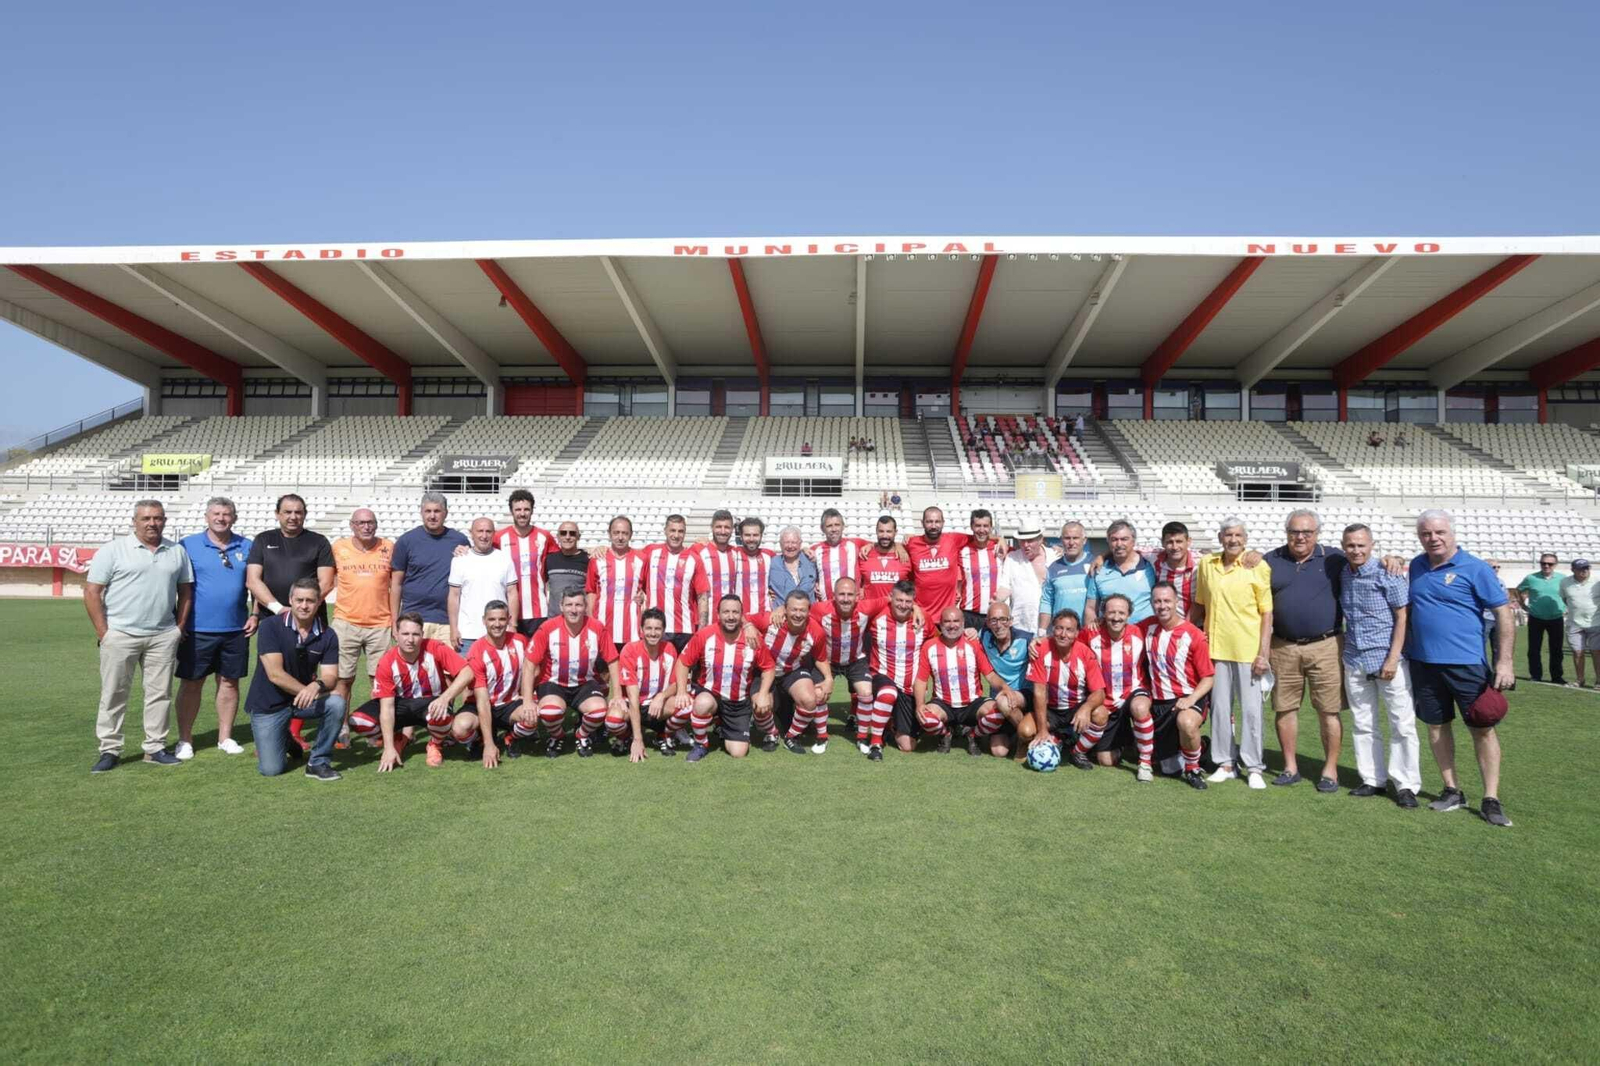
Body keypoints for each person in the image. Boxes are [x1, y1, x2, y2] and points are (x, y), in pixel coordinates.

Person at [1407, 509, 1515, 828]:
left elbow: (1503, 613)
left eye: (1439, 532)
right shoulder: (1416, 565)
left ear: (1451, 533)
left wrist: (1504, 660)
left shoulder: (1475, 568)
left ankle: (1491, 798)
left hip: (1467, 664)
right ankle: (1452, 789)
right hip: (1424, 663)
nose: (1433, 538)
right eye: (1426, 534)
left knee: (1482, 728)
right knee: (1437, 726)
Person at [85, 499, 193, 772]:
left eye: (157, 518)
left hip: (162, 635)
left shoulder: (176, 551)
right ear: (134, 521)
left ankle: (155, 747)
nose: (152, 523)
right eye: (145, 518)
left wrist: (178, 628)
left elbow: (186, 591)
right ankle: (110, 749)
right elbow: (92, 591)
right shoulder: (113, 550)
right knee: (113, 694)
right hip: (120, 634)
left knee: (159, 694)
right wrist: (104, 632)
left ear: (165, 520)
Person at [1263, 508, 1346, 791]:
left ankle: (1330, 770)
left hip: (1326, 645)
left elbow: (1364, 561)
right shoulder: (1271, 559)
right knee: (1284, 708)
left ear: (1316, 534)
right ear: (1286, 533)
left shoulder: (1335, 558)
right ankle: (1290, 767)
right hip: (1283, 646)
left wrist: (1392, 559)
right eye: (1294, 532)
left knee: (1329, 710)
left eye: (1306, 532)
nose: (1300, 537)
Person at [1338, 524, 1421, 807]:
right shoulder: (1343, 573)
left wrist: (1392, 658)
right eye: (1351, 545)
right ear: (1343, 546)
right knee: (1363, 723)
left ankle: (1406, 784)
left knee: (1402, 723)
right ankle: (1372, 779)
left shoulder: (1388, 572)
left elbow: (1402, 617)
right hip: (1355, 658)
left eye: (1361, 545)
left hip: (1388, 660)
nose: (1356, 550)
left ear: (1372, 545)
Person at [1191, 517, 1273, 790]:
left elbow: (1266, 613)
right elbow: (1200, 604)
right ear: (1220, 537)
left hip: (1247, 650)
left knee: (1251, 711)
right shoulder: (1207, 565)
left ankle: (1253, 766)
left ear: (1245, 538)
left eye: (1238, 535)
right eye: (1228, 535)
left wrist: (1263, 653)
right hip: (1215, 649)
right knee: (1221, 709)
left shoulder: (1257, 566)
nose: (1233, 540)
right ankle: (1225, 763)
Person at [174, 496, 253, 759]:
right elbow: (175, 587)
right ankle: (185, 740)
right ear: (207, 517)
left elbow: (256, 584)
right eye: (216, 514)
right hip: (197, 630)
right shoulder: (187, 545)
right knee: (192, 683)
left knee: (230, 684)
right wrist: (179, 622)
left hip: (236, 630)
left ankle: (225, 737)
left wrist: (256, 614)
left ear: (234, 518)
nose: (221, 518)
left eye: (227, 514)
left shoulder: (247, 546)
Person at [243, 577, 344, 780]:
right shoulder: (270, 626)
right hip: (269, 704)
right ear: (290, 600)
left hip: (302, 702)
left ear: (318, 603)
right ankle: (286, 738)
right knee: (271, 769)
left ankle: (318, 762)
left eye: (310, 601)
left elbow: (331, 676)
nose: (304, 606)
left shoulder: (328, 634)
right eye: (299, 600)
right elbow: (275, 674)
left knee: (337, 703)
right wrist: (306, 690)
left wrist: (317, 685)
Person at [350, 612, 476, 770]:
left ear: (422, 635)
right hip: (400, 705)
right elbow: (387, 707)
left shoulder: (435, 648)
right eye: (405, 634)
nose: (410, 639)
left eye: (415, 634)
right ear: (396, 635)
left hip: (431, 703)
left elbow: (468, 672)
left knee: (441, 714)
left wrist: (445, 698)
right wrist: (388, 748)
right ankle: (397, 738)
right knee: (359, 721)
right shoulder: (387, 662)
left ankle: (435, 744)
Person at [674, 594, 777, 762]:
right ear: (718, 614)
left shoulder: (752, 638)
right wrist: (681, 691)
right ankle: (701, 744)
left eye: (735, 612)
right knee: (702, 703)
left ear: (741, 615)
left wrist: (764, 693)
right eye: (726, 612)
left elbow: (769, 668)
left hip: (737, 702)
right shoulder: (704, 636)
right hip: (711, 694)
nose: (730, 616)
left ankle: (727, 726)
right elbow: (683, 662)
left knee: (738, 752)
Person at [910, 607, 1019, 757]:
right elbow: (921, 681)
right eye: (947, 621)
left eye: (956, 621)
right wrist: (920, 704)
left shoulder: (973, 644)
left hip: (972, 703)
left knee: (999, 713)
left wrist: (1005, 687)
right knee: (925, 719)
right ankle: (945, 733)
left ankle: (973, 735)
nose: (952, 625)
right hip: (943, 703)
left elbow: (990, 675)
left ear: (963, 623)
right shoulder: (929, 646)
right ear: (940, 624)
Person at [525, 588, 620, 758]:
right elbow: (529, 664)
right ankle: (557, 736)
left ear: (585, 607)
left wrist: (618, 695)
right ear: (561, 606)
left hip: (584, 683)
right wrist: (527, 700)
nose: (573, 609)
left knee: (599, 711)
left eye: (578, 605)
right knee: (550, 712)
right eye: (569, 605)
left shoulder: (597, 627)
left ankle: (581, 735)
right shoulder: (547, 628)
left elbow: (613, 660)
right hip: (553, 683)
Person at [1142, 582, 1216, 790]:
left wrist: (1191, 699)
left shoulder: (1194, 635)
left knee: (1186, 722)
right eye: (1157, 601)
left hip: (1188, 697)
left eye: (1167, 600)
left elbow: (1209, 677)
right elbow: (1120, 630)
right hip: (1160, 704)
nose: (1162, 606)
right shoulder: (1146, 628)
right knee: (1168, 769)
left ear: (1177, 602)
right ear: (1151, 603)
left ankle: (1193, 769)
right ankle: (1201, 746)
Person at [1078, 593, 1158, 779]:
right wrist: (1039, 642)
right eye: (1111, 612)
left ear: (1129, 615)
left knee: (1139, 707)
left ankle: (1145, 763)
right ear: (1103, 614)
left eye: (1121, 613)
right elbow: (1068, 643)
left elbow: (1167, 621)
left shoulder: (1139, 631)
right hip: (1106, 700)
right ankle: (1127, 741)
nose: (1116, 617)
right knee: (1106, 760)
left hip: (1133, 692)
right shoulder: (1090, 633)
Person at [328, 508, 394, 714]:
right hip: (346, 622)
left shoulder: (389, 547)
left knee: (379, 681)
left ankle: (375, 728)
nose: (366, 527)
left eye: (370, 522)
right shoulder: (338, 547)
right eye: (361, 523)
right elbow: (327, 580)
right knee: (343, 679)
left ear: (376, 524)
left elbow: (397, 584)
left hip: (381, 625)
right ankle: (341, 728)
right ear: (352, 525)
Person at [750, 591, 830, 754]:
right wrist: (748, 626)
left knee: (809, 700)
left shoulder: (816, 632)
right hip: (764, 673)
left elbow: (820, 658)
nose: (798, 614)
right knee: (761, 707)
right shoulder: (770, 619)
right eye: (794, 610)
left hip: (791, 672)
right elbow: (743, 617)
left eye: (802, 610)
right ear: (785, 609)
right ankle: (771, 733)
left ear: (809, 611)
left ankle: (791, 737)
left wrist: (828, 678)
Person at [1026, 609, 1107, 770]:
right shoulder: (1041, 649)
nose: (1063, 634)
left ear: (1077, 633)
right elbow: (1039, 691)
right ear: (1052, 629)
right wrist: (1042, 730)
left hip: (1074, 708)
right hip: (1051, 710)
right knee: (1025, 731)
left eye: (1069, 630)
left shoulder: (1085, 653)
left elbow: (1099, 692)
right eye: (1059, 628)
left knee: (1101, 714)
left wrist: (1086, 708)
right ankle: (1053, 738)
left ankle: (1078, 752)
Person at [389, 491, 469, 645]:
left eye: (437, 511)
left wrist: (467, 553)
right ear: (421, 512)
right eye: (428, 511)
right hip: (414, 621)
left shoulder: (459, 540)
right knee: (416, 668)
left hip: (448, 622)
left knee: (449, 669)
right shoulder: (406, 541)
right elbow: (396, 584)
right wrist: (395, 621)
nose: (432, 516)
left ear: (445, 513)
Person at [245, 494, 334, 626]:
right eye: (287, 512)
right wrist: (279, 609)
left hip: (310, 618)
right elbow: (253, 581)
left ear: (304, 514)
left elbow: (327, 583)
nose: (293, 517)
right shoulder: (263, 539)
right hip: (271, 616)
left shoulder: (319, 542)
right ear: (277, 514)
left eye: (298, 512)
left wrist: (303, 608)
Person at [462, 599, 532, 766]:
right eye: (492, 619)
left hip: (509, 703)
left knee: (532, 717)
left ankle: (510, 737)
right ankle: (480, 739)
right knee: (460, 728)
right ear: (484, 621)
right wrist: (489, 745)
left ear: (508, 619)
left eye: (501, 619)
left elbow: (533, 670)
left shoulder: (520, 641)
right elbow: (482, 700)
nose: (497, 624)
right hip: (482, 704)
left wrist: (528, 697)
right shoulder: (477, 650)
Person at [863, 580, 927, 759]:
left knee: (907, 746)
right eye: (899, 600)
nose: (903, 605)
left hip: (908, 688)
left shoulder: (923, 620)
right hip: (881, 678)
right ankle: (875, 743)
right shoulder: (876, 617)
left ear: (914, 602)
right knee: (888, 692)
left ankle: (890, 725)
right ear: (890, 598)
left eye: (908, 602)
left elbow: (941, 638)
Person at [617, 608, 681, 757]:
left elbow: (676, 684)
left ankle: (663, 735)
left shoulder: (670, 649)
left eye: (658, 628)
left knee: (686, 706)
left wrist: (662, 696)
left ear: (664, 630)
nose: (653, 633)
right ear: (641, 630)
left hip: (656, 707)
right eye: (649, 628)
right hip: (633, 704)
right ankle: (627, 736)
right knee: (613, 720)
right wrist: (638, 740)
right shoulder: (630, 650)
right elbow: (633, 698)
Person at [448, 517, 517, 654]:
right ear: (471, 533)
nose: (484, 536)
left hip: (498, 632)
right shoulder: (460, 560)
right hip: (467, 635)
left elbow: (512, 593)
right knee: (466, 674)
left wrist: (513, 625)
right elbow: (454, 596)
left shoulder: (504, 558)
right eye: (480, 531)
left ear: (494, 533)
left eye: (488, 531)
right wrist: (453, 628)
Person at [495, 488, 557, 637]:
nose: (522, 513)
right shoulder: (499, 538)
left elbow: (562, 558)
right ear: (511, 511)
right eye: (518, 509)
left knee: (538, 657)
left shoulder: (544, 536)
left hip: (538, 610)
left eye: (526, 509)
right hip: (507, 611)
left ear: (532, 511)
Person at [979, 600, 1035, 759]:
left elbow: (1045, 645)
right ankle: (1022, 729)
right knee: (999, 752)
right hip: (999, 696)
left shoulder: (1026, 639)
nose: (998, 625)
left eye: (1003, 619)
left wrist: (1040, 641)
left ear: (1011, 621)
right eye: (993, 620)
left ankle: (1029, 739)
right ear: (987, 623)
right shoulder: (983, 635)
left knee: (1005, 701)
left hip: (1023, 694)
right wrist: (968, 630)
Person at [639, 514, 701, 651]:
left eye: (680, 531)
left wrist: (701, 629)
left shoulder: (694, 558)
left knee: (682, 671)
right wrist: (601, 548)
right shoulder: (651, 551)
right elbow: (628, 555)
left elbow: (702, 596)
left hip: (684, 628)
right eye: (672, 530)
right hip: (656, 627)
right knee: (657, 669)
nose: (676, 535)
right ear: (665, 531)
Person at [586, 515, 646, 652]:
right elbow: (591, 593)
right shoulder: (597, 559)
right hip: (603, 628)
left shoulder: (641, 559)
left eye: (624, 533)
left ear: (631, 535)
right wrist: (590, 622)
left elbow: (648, 590)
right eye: (616, 533)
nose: (620, 537)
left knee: (630, 672)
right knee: (603, 672)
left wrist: (643, 596)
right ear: (609, 534)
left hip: (632, 632)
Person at [1084, 520, 1157, 628]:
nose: (1119, 544)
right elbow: (1090, 608)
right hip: (1111, 637)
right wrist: (1092, 635)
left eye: (1124, 539)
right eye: (1114, 539)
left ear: (1133, 541)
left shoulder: (1152, 564)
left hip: (1145, 635)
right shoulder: (1098, 569)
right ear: (1108, 541)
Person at [1516, 553, 1565, 685]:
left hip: (1556, 618)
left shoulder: (1562, 579)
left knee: (1556, 649)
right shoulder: (1531, 578)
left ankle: (1557, 676)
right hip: (1536, 617)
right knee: (1534, 648)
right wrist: (1523, 605)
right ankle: (1536, 675)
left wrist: (1566, 607)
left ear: (1556, 565)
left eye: (1550, 564)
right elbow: (1519, 590)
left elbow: (1568, 594)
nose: (1546, 566)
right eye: (1543, 563)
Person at [1036, 520, 1090, 636]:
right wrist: (1042, 631)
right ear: (1061, 540)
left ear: (1084, 540)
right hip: (1061, 634)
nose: (1071, 542)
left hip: (1086, 633)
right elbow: (1047, 601)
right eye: (1067, 538)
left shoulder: (1094, 564)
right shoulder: (1053, 568)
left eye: (1075, 538)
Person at [957, 509, 1003, 637]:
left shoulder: (1000, 549)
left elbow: (1026, 551)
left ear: (991, 527)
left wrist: (1054, 550)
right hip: (969, 614)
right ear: (971, 526)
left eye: (985, 526)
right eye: (978, 525)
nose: (981, 530)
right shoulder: (962, 551)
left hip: (994, 615)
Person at [693, 509, 740, 624]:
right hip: (703, 620)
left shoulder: (737, 553)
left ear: (732, 529)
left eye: (727, 527)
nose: (723, 531)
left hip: (729, 621)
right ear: (712, 527)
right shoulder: (698, 550)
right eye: (718, 527)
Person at [810, 508, 867, 603]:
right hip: (826, 606)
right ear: (822, 528)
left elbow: (880, 546)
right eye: (829, 526)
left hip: (853, 605)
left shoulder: (856, 544)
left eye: (837, 525)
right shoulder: (815, 550)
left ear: (843, 526)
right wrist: (814, 584)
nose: (833, 529)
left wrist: (898, 546)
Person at [857, 515, 914, 606]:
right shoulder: (864, 554)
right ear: (876, 531)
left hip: (896, 613)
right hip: (871, 614)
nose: (885, 535)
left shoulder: (905, 555)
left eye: (889, 531)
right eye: (881, 531)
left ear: (895, 532)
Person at [1561, 559, 1600, 687]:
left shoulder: (1597, 582)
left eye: (1586, 568)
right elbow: (1565, 599)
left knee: (1596, 652)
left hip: (1596, 623)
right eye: (1581, 568)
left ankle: (1599, 681)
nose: (1584, 571)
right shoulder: (1565, 582)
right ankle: (1580, 680)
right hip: (1574, 623)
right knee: (1577, 652)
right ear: (1573, 570)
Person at [543, 521, 590, 616]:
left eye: (572, 533)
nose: (567, 537)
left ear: (578, 537)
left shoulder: (588, 560)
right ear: (558, 536)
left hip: (578, 619)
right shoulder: (549, 559)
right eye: (563, 533)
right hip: (554, 619)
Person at [768, 525, 819, 610]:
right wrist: (767, 593)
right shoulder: (772, 563)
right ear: (780, 544)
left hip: (809, 615)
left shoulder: (811, 561)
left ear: (800, 543)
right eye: (786, 542)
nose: (790, 546)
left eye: (794, 542)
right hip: (781, 618)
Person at [733, 516, 776, 616]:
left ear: (761, 535)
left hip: (765, 616)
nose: (751, 539)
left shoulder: (770, 556)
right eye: (747, 535)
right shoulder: (732, 554)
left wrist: (804, 549)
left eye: (755, 535)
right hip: (739, 617)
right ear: (741, 536)